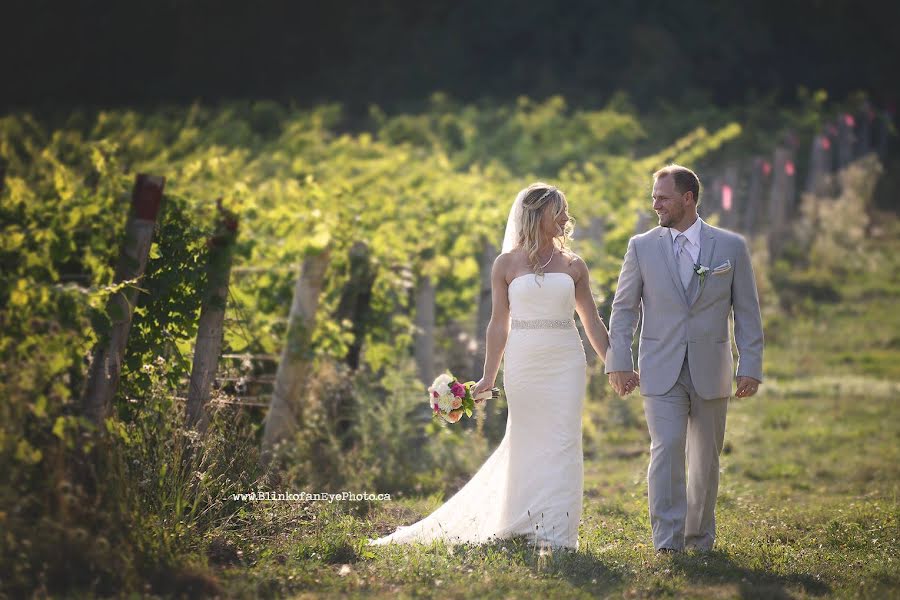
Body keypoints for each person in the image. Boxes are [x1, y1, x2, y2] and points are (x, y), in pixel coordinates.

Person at [368, 182, 637, 550]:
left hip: (565, 362)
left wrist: (615, 364)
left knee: (563, 440)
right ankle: (522, 521)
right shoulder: (506, 264)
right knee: (526, 438)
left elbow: (591, 319)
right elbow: (498, 323)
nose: (565, 217)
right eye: (558, 210)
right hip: (524, 361)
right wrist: (487, 377)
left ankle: (557, 533)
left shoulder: (574, 265)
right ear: (537, 213)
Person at [606, 164, 764, 553]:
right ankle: (667, 542)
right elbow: (623, 309)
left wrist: (751, 365)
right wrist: (619, 361)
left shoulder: (730, 247)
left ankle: (698, 538)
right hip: (660, 368)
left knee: (705, 460)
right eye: (654, 196)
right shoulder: (640, 246)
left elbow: (746, 311)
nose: (654, 203)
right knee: (666, 449)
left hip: (712, 367)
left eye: (662, 197)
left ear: (688, 198)